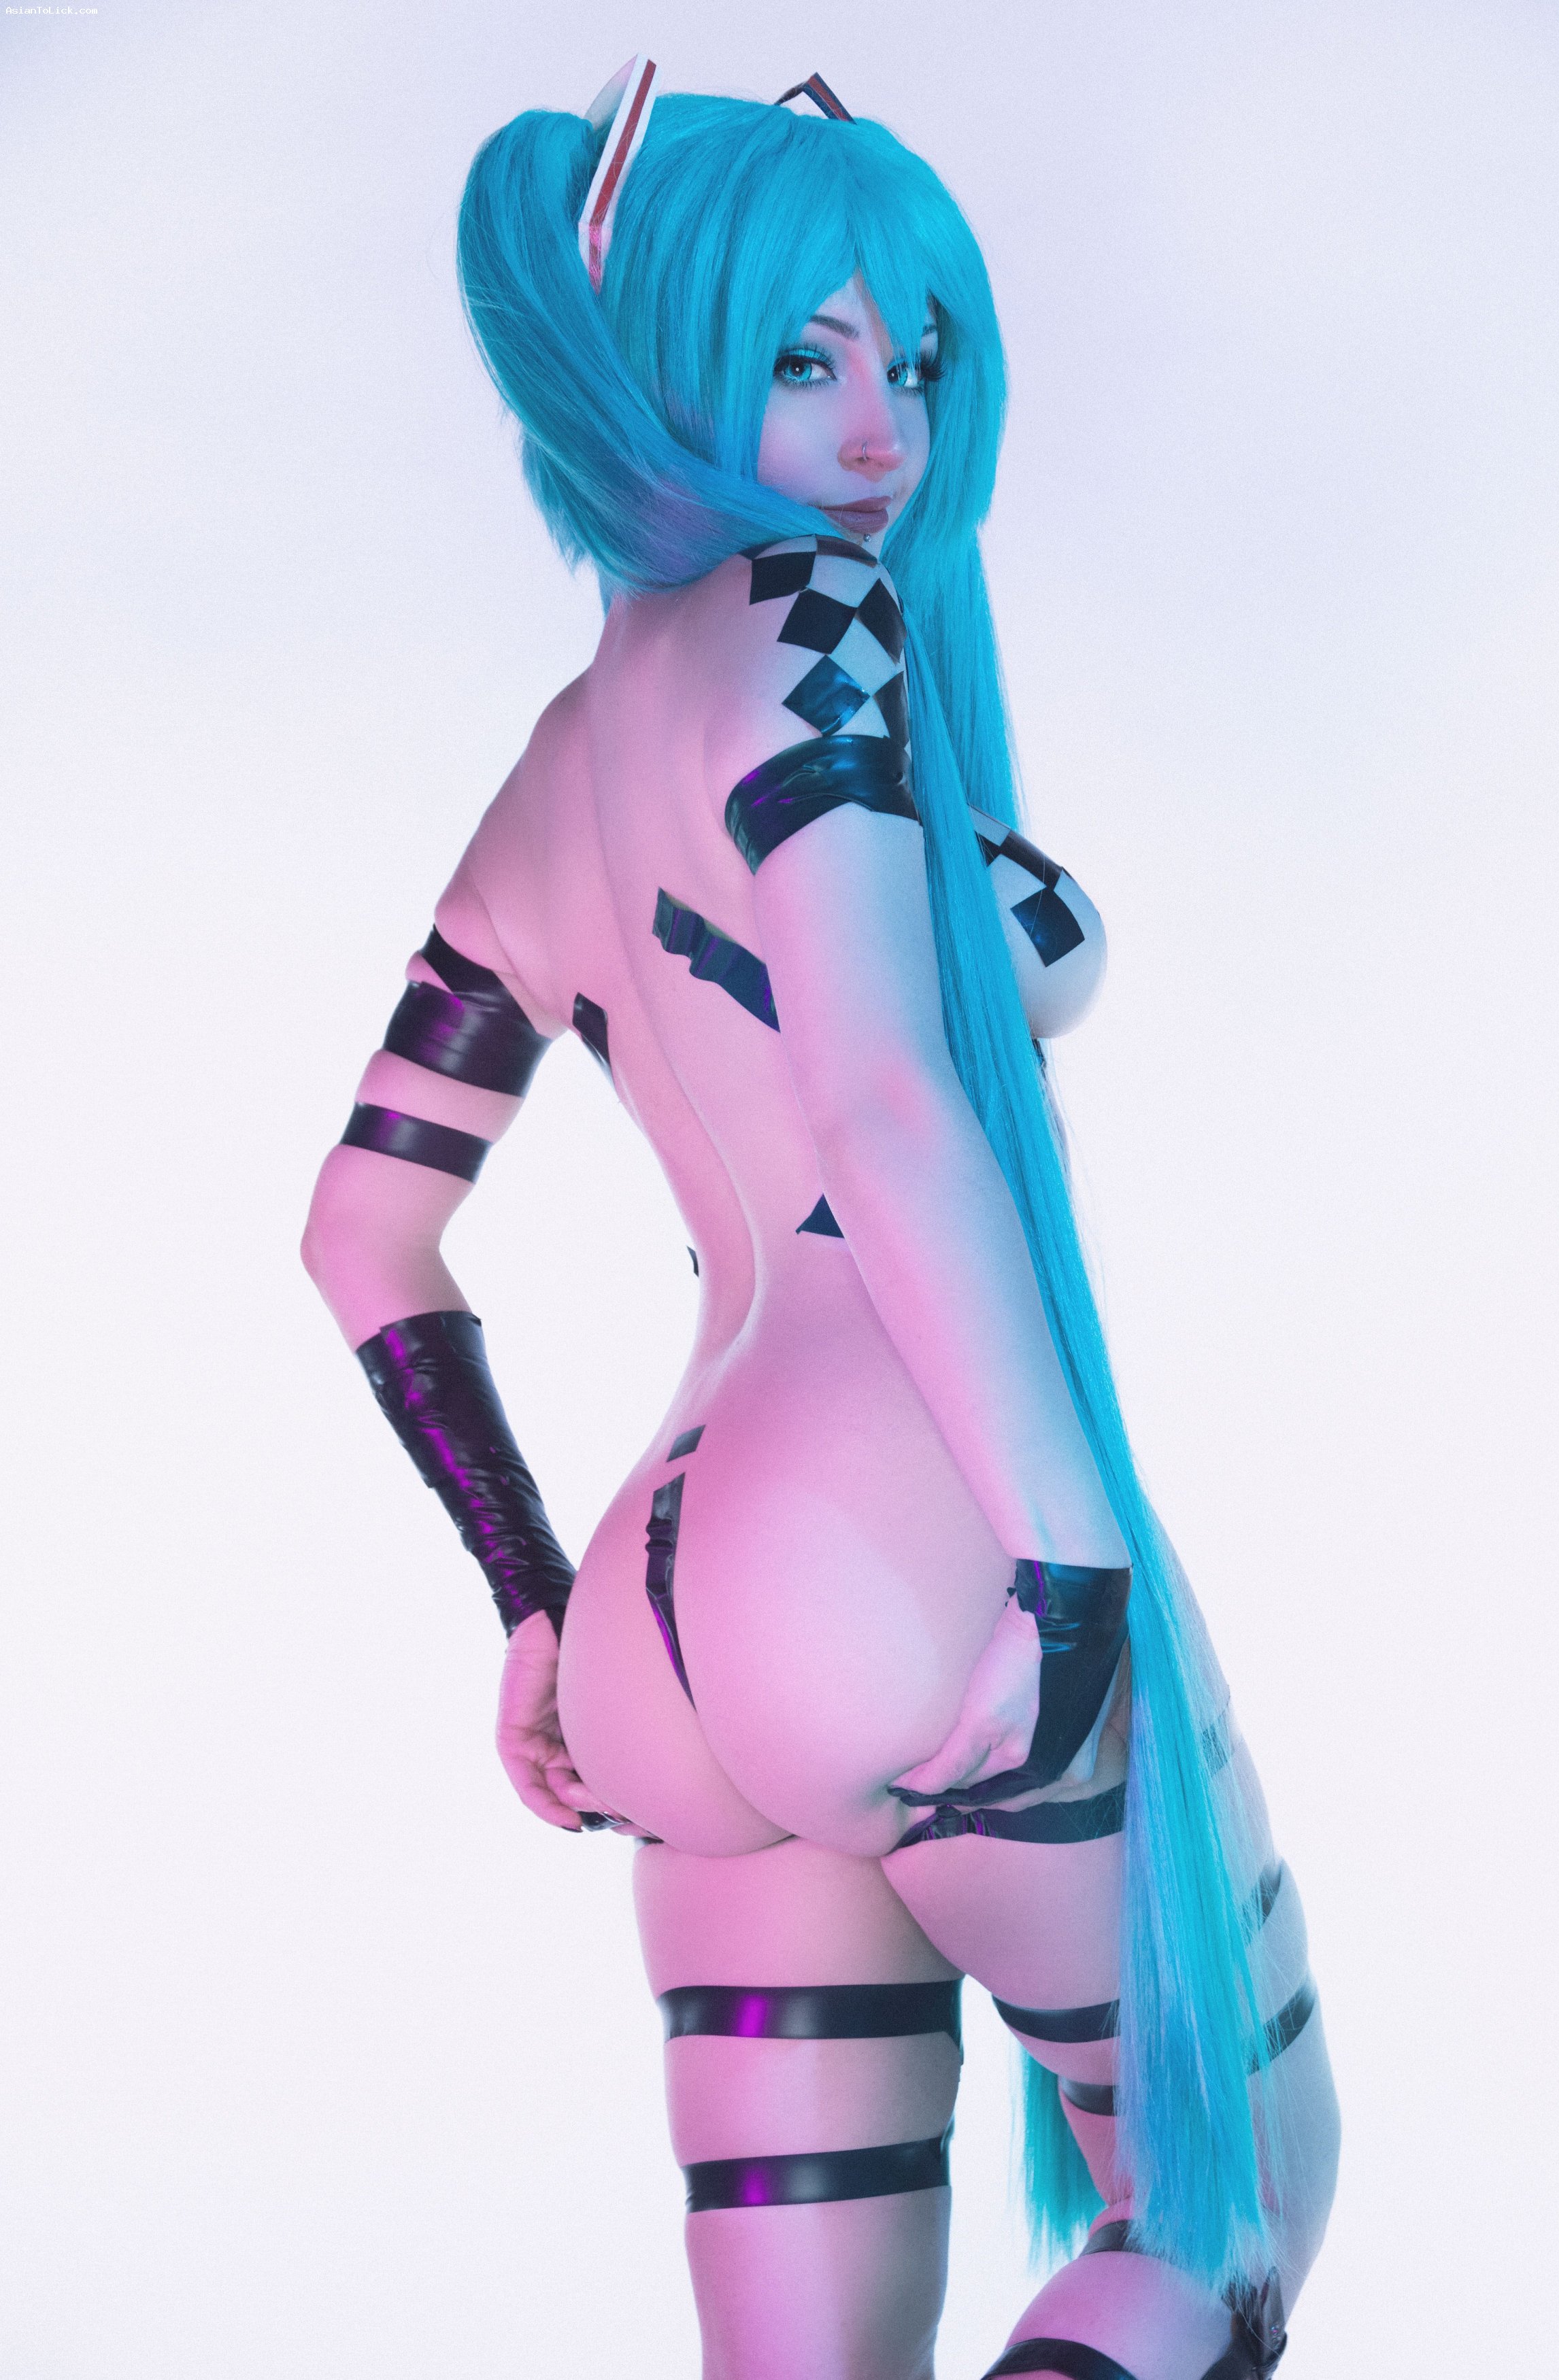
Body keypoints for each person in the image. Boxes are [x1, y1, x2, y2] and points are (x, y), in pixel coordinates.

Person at [301, 67, 1339, 2380]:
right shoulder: (817, 618)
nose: (884, 425)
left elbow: (361, 1231)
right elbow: (878, 1092)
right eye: (803, 353)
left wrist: (534, 1601)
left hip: (662, 1641)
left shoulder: (553, 772)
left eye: (918, 355)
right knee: (1229, 2207)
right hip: (917, 1542)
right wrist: (1066, 1564)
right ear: (664, 354)